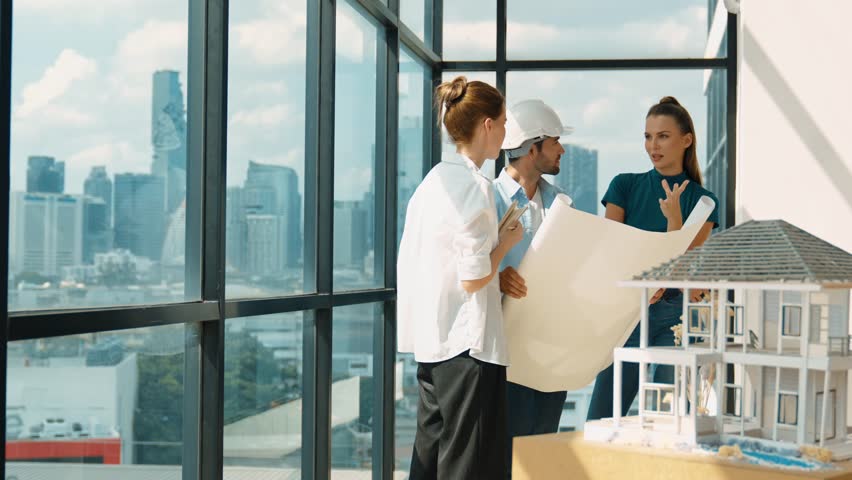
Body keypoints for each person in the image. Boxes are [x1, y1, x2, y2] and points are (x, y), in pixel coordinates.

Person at [397, 76, 523, 479]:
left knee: (431, 458)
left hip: (433, 343)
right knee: (470, 463)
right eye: (503, 121)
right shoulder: (474, 186)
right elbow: (471, 279)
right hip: (469, 347)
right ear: (487, 125)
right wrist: (505, 242)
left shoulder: (432, 183)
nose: (506, 130)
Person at [586, 96, 720, 421]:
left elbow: (684, 270)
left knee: (668, 420)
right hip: (627, 311)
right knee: (602, 417)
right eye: (648, 136)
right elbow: (611, 248)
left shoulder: (703, 202)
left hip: (674, 316)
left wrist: (675, 221)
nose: (653, 145)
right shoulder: (624, 185)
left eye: (663, 136)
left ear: (686, 140)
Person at [495, 99, 573, 475]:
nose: (562, 149)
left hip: (550, 348)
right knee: (503, 454)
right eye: (555, 141)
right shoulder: (487, 198)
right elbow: (459, 268)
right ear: (532, 147)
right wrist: (496, 279)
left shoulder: (561, 203)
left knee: (541, 453)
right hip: (504, 354)